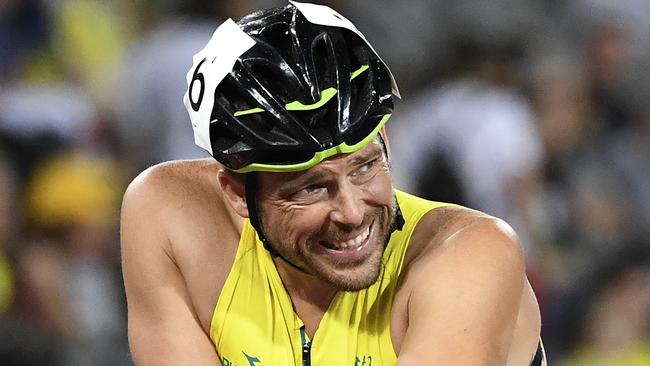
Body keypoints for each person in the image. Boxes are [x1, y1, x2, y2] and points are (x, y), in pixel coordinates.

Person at [120, 2, 546, 365]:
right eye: (311, 188)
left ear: (387, 143)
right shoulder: (168, 215)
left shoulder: (473, 254)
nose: (353, 213)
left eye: (365, 167)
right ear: (236, 194)